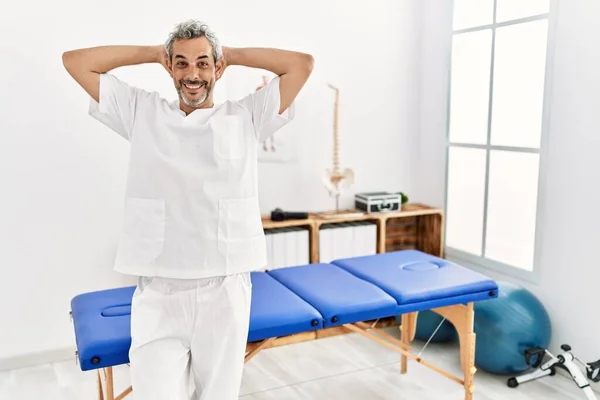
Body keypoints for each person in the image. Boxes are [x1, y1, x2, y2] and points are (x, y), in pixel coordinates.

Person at [62, 19, 313, 400]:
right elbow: (76, 61)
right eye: (181, 63)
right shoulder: (142, 112)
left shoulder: (246, 116)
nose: (192, 74)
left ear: (216, 67)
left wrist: (231, 55)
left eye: (202, 63)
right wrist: (154, 54)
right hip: (160, 290)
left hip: (224, 288)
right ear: (170, 68)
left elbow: (302, 64)